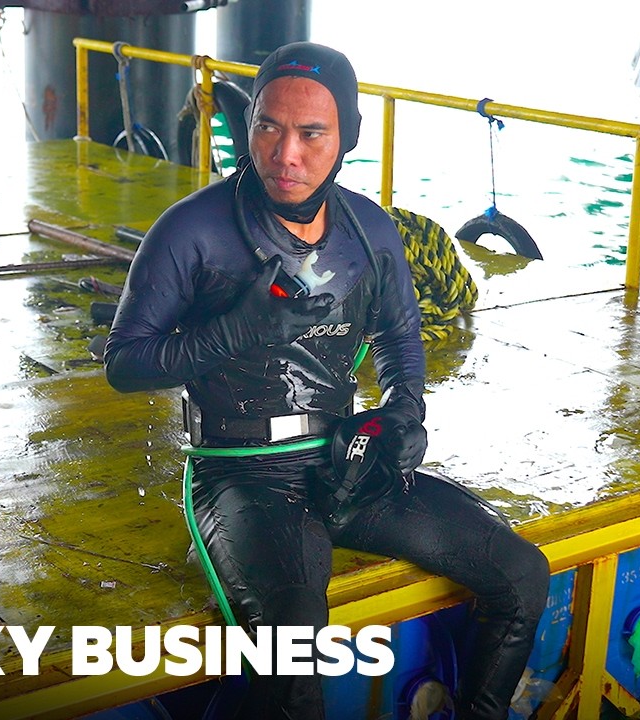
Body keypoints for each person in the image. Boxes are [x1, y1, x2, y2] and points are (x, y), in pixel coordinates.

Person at [104, 41, 549, 720]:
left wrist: (404, 411)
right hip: (238, 469)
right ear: (248, 124)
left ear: (348, 138)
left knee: (521, 575)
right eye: (268, 127)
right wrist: (233, 331)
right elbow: (125, 363)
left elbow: (398, 336)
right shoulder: (192, 230)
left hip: (344, 459)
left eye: (311, 134)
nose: (286, 154)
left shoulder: (369, 230)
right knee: (294, 645)